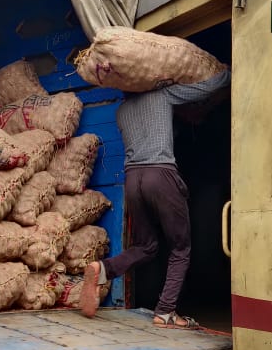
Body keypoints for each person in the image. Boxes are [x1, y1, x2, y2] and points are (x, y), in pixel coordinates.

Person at [80, 65, 231, 328]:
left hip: (133, 180)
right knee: (181, 247)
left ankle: (103, 269)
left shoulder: (122, 111)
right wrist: (227, 72)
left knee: (146, 246)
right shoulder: (164, 96)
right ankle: (166, 311)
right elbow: (205, 88)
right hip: (160, 174)